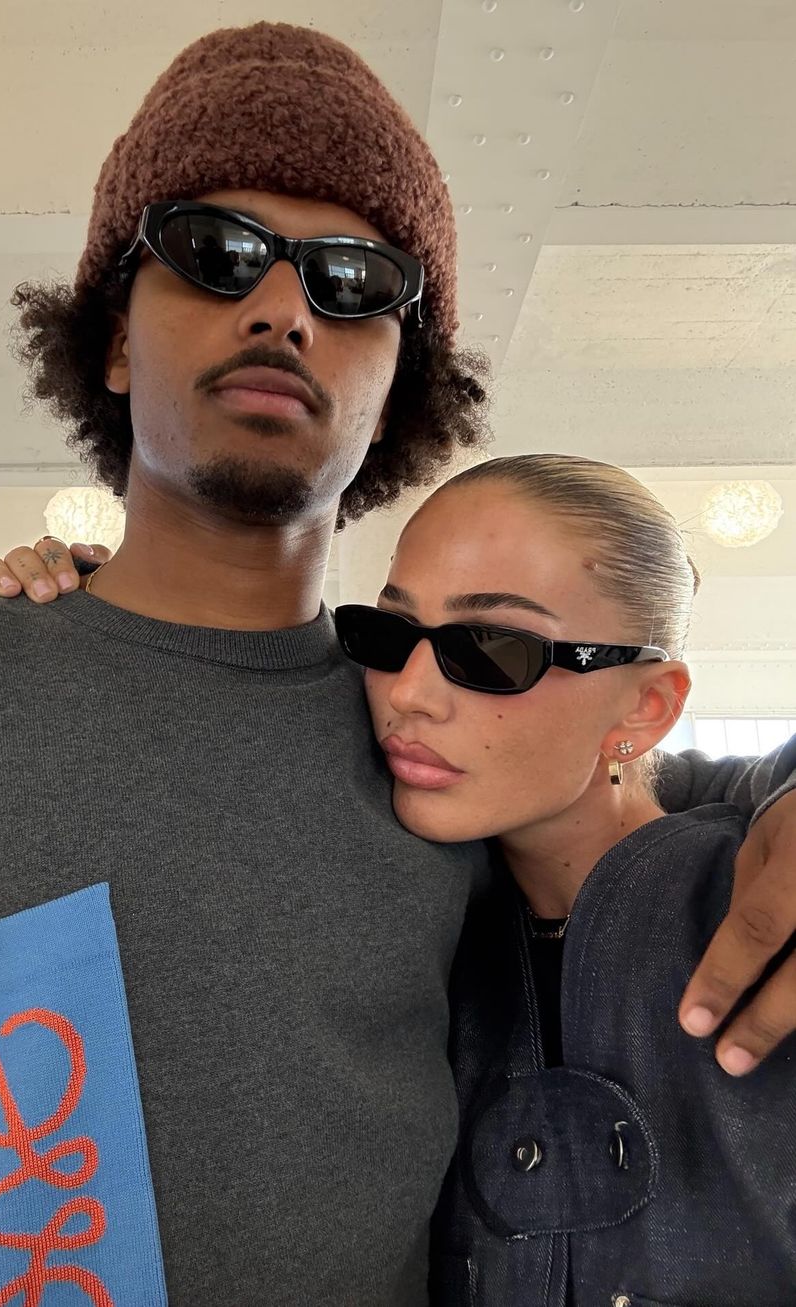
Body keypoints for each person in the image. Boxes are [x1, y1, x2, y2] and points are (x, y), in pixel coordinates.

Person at [0, 21, 794, 1307]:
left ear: (398, 388)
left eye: (351, 280)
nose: (283, 308)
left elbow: (647, 792)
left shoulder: (423, 743)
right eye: (214, 252)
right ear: (113, 338)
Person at [330, 453, 795, 1305]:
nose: (408, 693)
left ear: (645, 706)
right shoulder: (406, 926)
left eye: (492, 647)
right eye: (388, 634)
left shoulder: (763, 911)